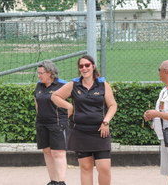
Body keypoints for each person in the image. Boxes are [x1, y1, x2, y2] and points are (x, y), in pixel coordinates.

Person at [51, 55, 117, 185]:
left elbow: (113, 105)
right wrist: (68, 106)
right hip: (80, 132)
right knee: (86, 168)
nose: (84, 68)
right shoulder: (74, 84)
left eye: (87, 65)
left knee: (104, 168)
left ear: (93, 66)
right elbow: (55, 96)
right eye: (81, 66)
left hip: (100, 131)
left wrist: (106, 121)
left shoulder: (103, 85)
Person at [34, 60, 69, 185]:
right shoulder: (39, 85)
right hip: (42, 123)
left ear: (50, 73)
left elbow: (72, 104)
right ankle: (53, 181)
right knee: (47, 151)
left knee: (58, 152)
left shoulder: (62, 85)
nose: (39, 75)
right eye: (38, 73)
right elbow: (36, 103)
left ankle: (61, 181)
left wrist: (65, 119)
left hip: (58, 123)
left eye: (41, 73)